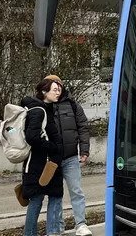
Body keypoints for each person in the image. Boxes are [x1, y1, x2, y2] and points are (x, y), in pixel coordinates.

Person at [44, 74, 92, 236]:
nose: (56, 90)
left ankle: (81, 225)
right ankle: (57, 228)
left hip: (71, 157)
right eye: (52, 87)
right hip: (52, 159)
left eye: (58, 86)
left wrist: (84, 151)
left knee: (76, 192)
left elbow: (83, 127)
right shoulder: (42, 107)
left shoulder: (72, 105)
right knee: (55, 195)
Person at [21, 78, 64, 236]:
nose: (58, 92)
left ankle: (47, 232)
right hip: (39, 164)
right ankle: (30, 234)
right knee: (36, 200)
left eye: (59, 89)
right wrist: (53, 147)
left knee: (50, 196)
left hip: (46, 163)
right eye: (54, 89)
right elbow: (32, 137)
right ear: (44, 91)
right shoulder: (39, 110)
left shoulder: (47, 108)